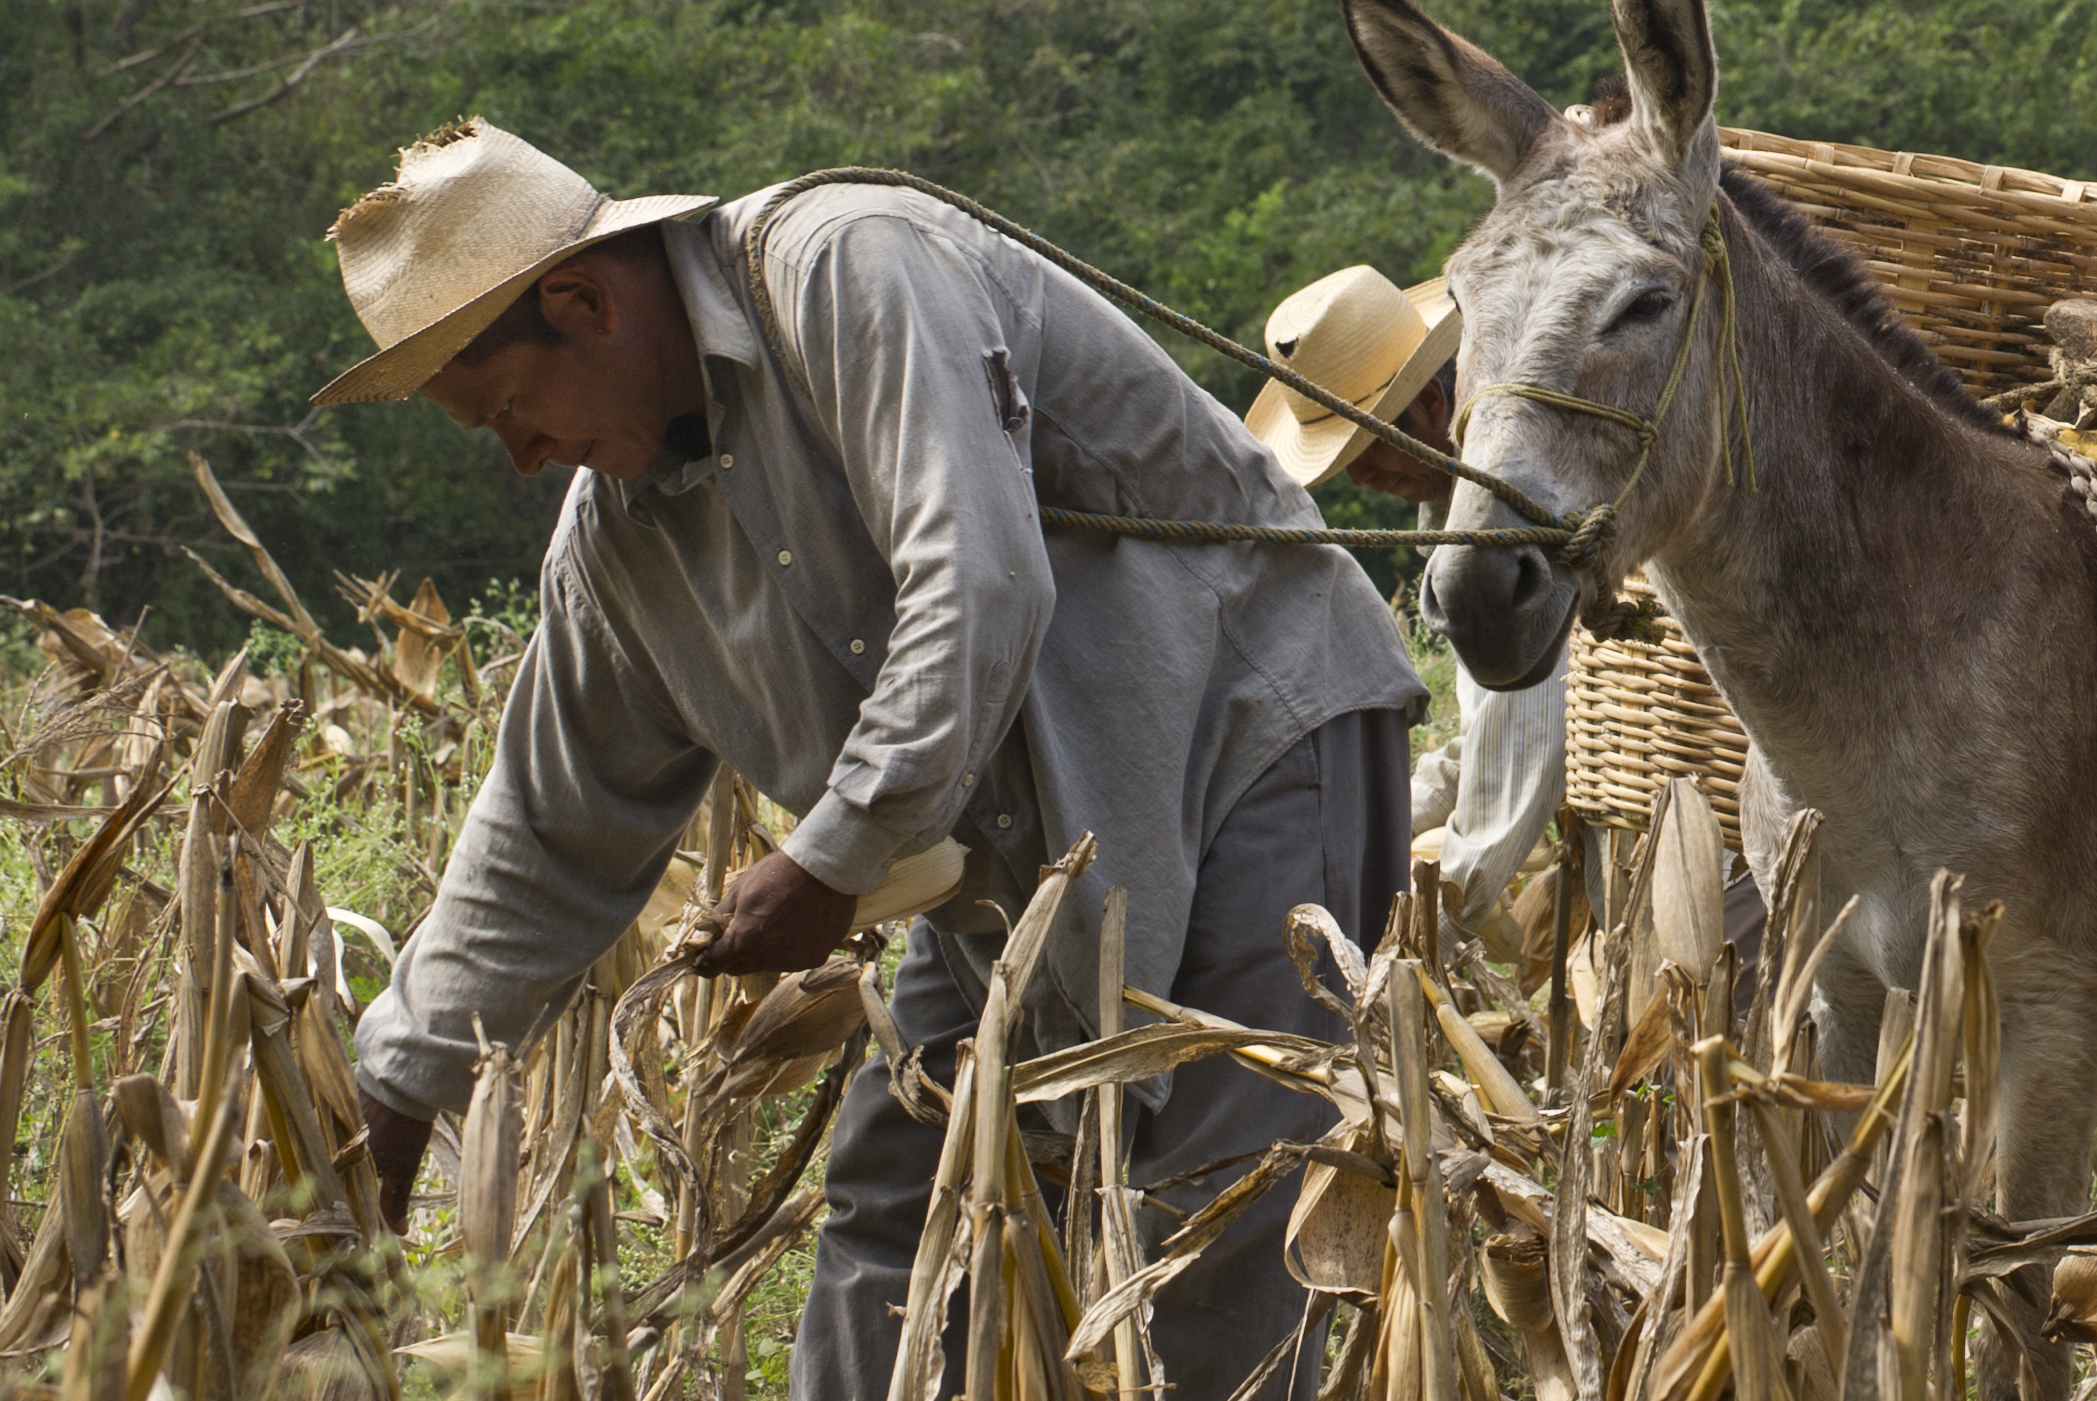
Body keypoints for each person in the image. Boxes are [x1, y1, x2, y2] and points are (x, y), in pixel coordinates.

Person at [317, 120, 1426, 1397]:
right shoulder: (616, 545)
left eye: (509, 410)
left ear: (582, 301)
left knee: (1217, 1224)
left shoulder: (849, 265)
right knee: (894, 1211)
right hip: (1004, 877)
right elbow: (541, 845)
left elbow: (981, 584)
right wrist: (383, 1119)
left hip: (1238, 744)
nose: (517, 456)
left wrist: (830, 858)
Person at [1248, 265, 1565, 915]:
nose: (1360, 476)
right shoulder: (1448, 500)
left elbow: (1520, 761)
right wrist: (1385, 819)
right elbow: (1488, 731)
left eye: (1367, 443)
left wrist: (1402, 945)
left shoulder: (1513, 503)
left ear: (1430, 402)